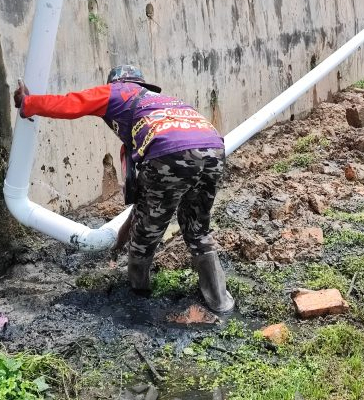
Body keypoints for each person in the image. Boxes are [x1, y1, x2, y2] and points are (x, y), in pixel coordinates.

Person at [12, 65, 235, 313]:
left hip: (169, 150)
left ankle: (138, 295)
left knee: (148, 231)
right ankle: (220, 302)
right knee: (197, 226)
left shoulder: (118, 93)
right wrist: (122, 234)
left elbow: (72, 103)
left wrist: (29, 103)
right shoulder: (164, 102)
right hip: (214, 149)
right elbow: (143, 198)